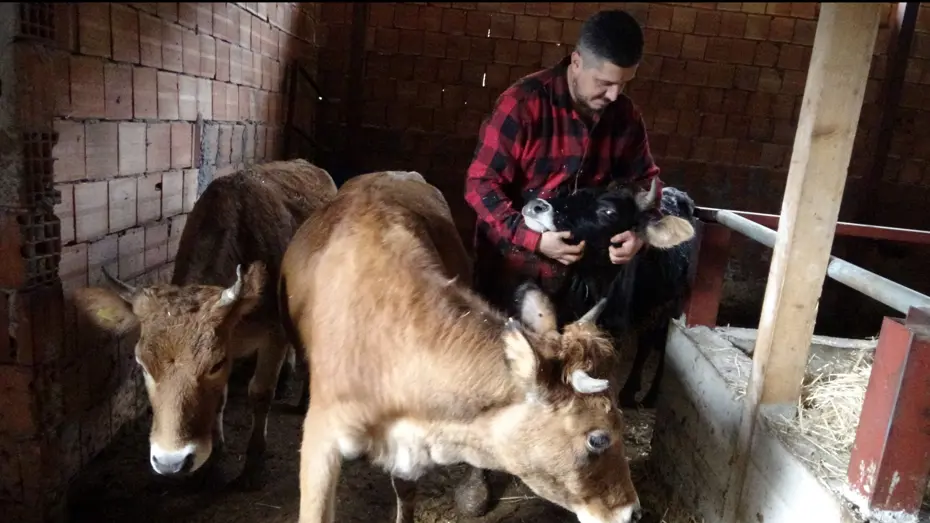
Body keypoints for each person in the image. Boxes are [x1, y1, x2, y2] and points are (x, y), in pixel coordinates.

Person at [464, 9, 665, 311]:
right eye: (604, 82)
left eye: (624, 83)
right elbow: (479, 185)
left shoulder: (625, 117)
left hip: (584, 278)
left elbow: (645, 183)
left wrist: (639, 234)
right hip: (514, 270)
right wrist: (532, 238)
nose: (614, 94)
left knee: (577, 353)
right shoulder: (522, 105)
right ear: (576, 62)